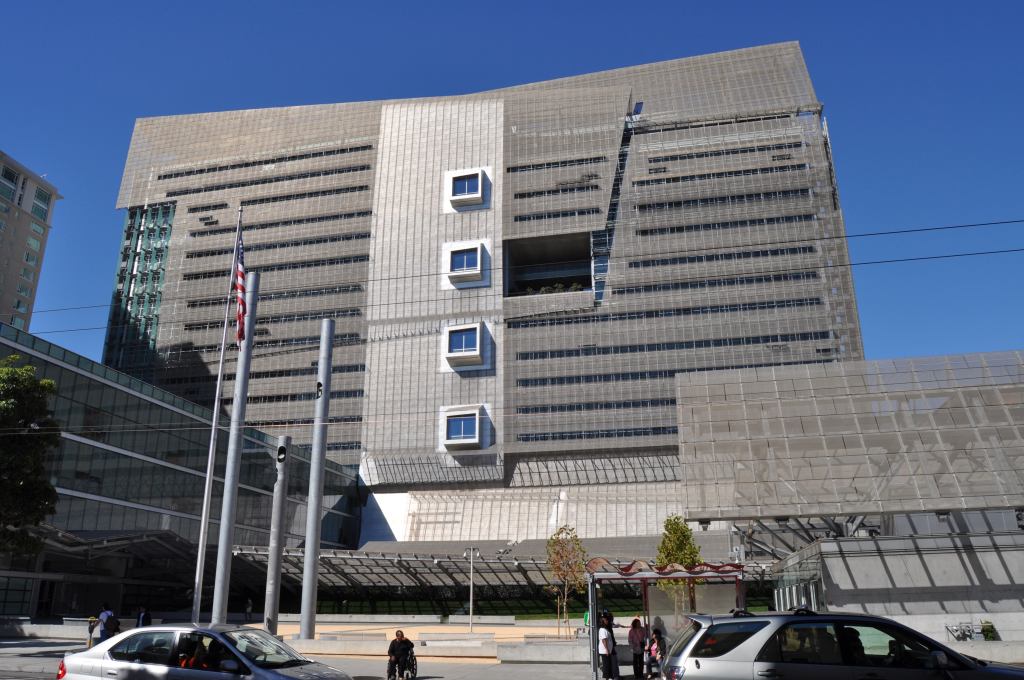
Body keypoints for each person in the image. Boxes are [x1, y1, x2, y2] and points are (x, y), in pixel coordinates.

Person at [598, 614, 615, 680]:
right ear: (603, 622)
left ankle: (609, 676)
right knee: (606, 665)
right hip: (605, 651)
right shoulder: (602, 630)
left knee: (608, 664)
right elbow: (604, 640)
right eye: (605, 620)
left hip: (607, 650)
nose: (607, 621)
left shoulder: (605, 629)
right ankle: (607, 677)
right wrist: (607, 650)